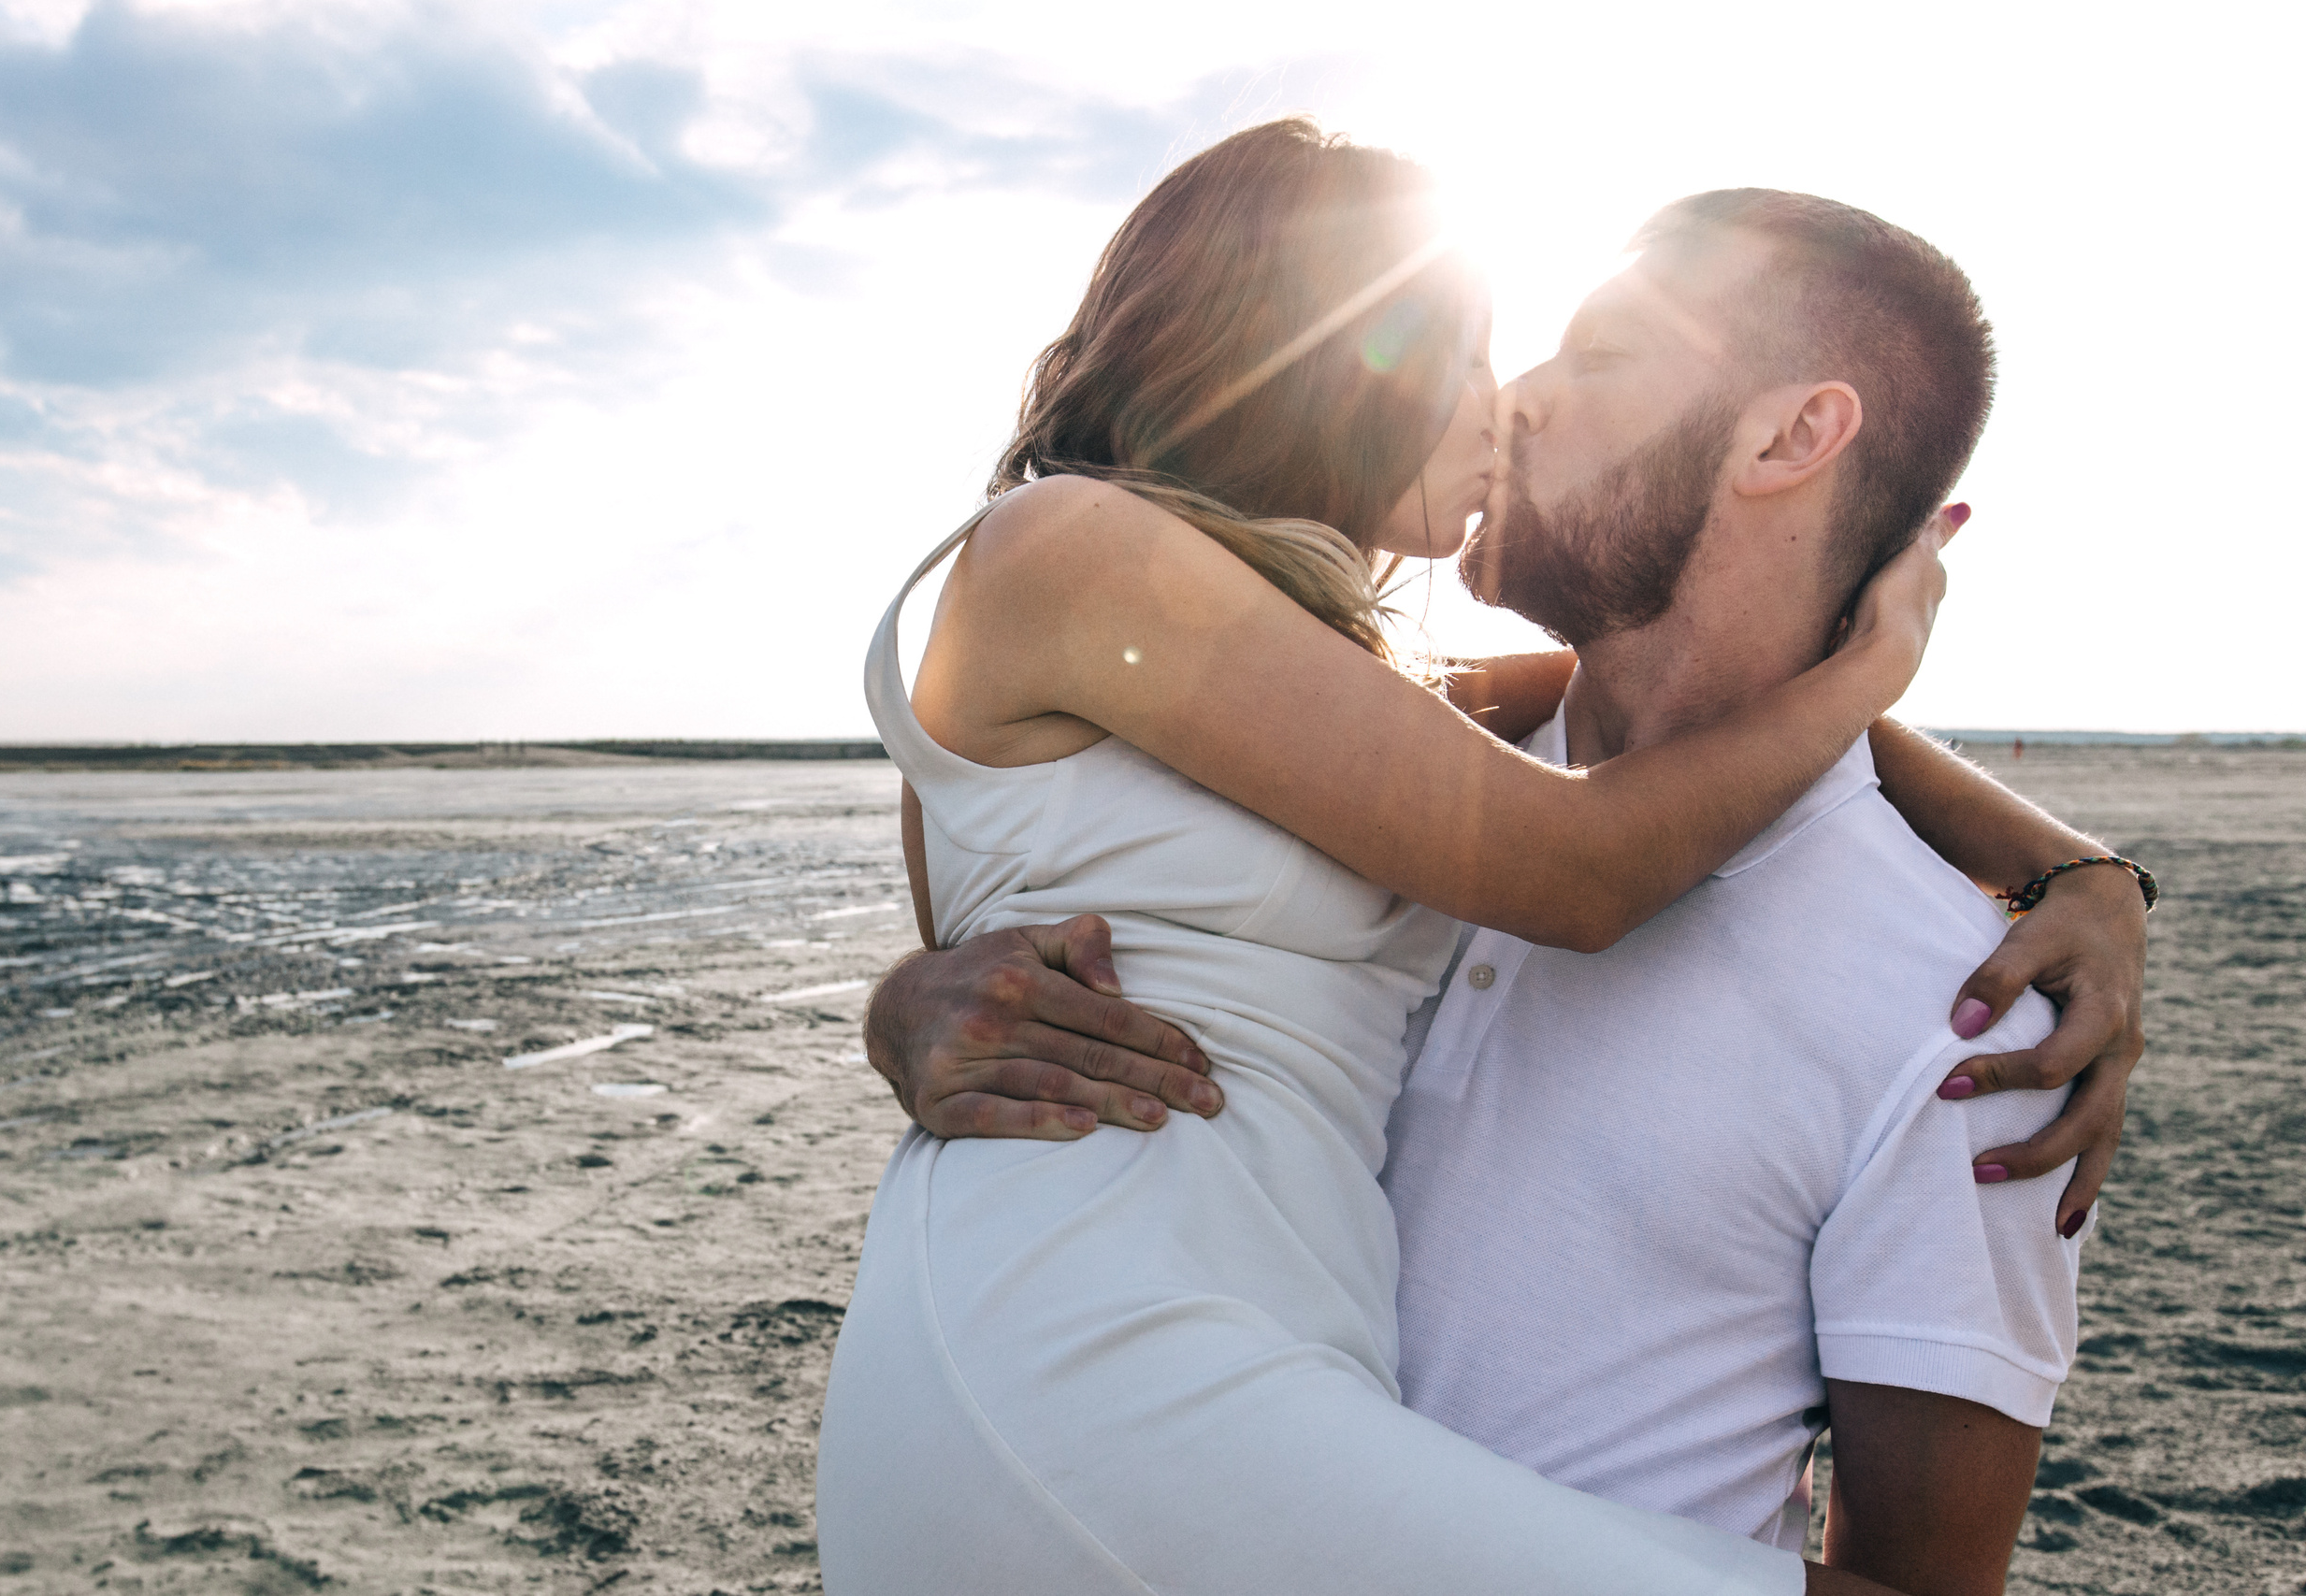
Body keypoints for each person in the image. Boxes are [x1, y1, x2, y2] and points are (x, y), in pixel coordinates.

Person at [818, 121, 2139, 1596]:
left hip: (1227, 1387)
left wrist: (2075, 868)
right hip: (1097, 1377)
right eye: (1465, 355)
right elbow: (1572, 860)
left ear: (1790, 438)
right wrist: (1867, 668)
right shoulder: (1097, 570)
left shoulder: (1959, 1014)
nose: (1506, 404)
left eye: (1589, 356)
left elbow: (1579, 729)